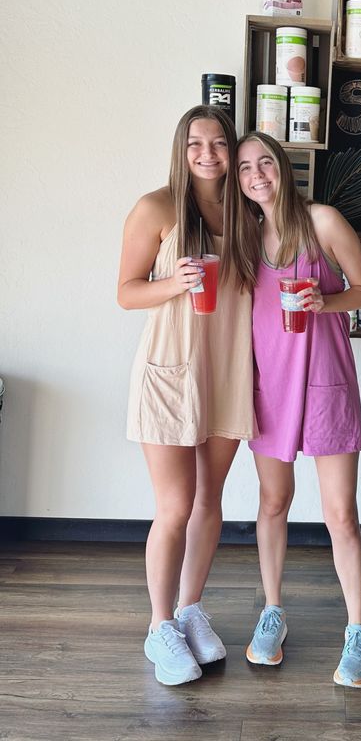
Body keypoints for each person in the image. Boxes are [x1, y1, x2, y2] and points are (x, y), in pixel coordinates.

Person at [118, 105, 257, 687]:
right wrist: (173, 282)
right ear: (181, 148)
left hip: (226, 368)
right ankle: (160, 625)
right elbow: (126, 292)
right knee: (175, 506)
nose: (207, 153)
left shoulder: (246, 211)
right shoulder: (155, 207)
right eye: (196, 143)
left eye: (219, 143)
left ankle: (190, 608)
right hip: (171, 368)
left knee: (208, 500)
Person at [231, 131, 361, 688]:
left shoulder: (323, 222)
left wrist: (326, 300)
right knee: (273, 503)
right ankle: (273, 612)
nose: (256, 175)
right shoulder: (246, 237)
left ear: (283, 166)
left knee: (341, 515)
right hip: (270, 387)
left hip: (324, 384)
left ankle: (358, 631)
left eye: (265, 162)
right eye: (245, 168)